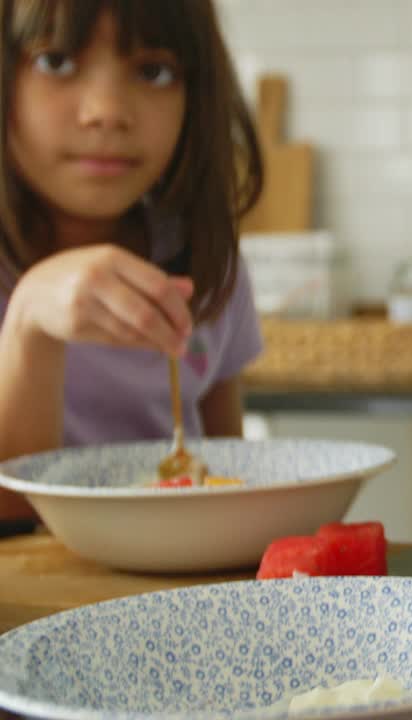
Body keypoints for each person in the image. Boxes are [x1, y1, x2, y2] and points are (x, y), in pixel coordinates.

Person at [0, 0, 264, 521]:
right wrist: (30, 321)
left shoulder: (206, 260)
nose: (107, 110)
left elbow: (227, 478)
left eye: (153, 70)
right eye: (56, 62)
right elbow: (9, 514)